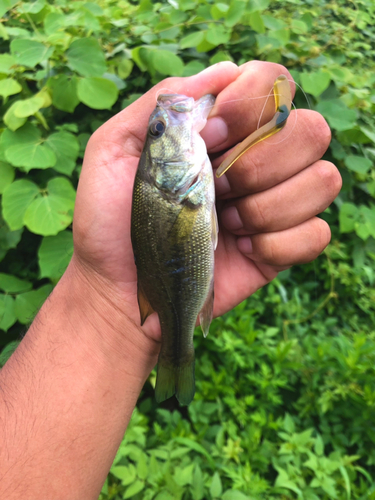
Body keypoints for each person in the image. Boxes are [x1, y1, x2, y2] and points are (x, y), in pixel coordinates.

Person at [0, 61, 341, 499]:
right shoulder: (170, 183)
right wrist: (103, 302)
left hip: (183, 258)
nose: (163, 121)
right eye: (158, 133)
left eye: (155, 132)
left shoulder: (175, 180)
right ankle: (178, 352)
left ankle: (176, 357)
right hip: (176, 268)